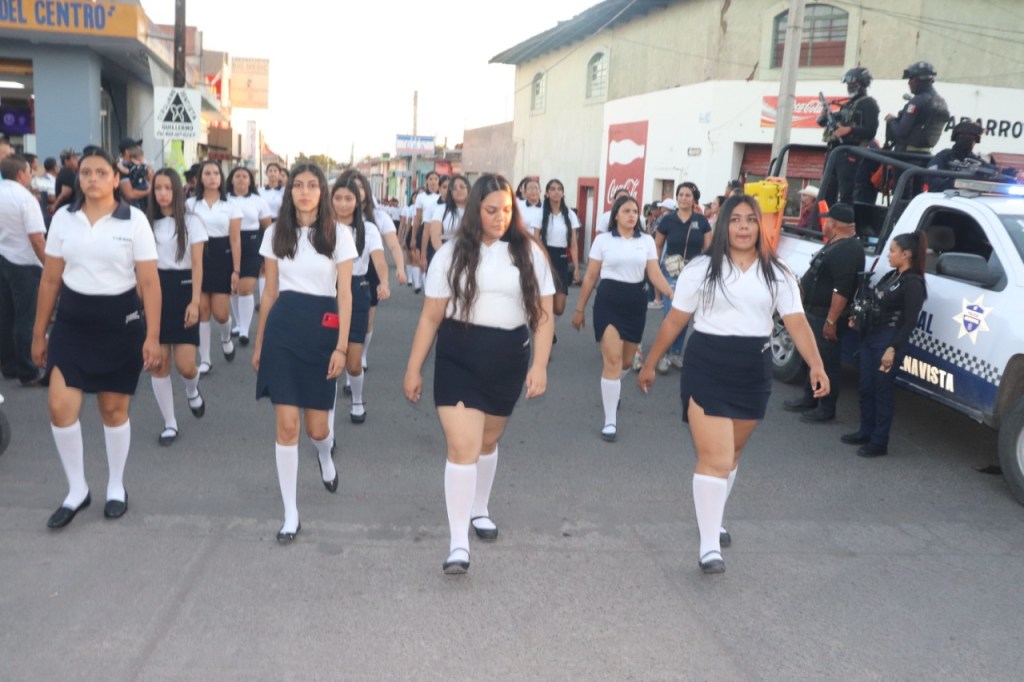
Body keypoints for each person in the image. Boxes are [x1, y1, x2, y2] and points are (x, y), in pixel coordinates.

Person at [638, 194, 828, 574]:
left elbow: (796, 322)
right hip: (707, 364)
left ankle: (714, 516)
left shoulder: (779, 272)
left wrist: (816, 366)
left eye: (750, 220)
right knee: (717, 458)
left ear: (760, 226)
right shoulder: (701, 269)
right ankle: (709, 547)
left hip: (753, 368)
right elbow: (675, 320)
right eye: (736, 219)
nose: (743, 227)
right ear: (724, 225)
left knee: (733, 455)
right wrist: (651, 362)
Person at [403, 173, 555, 575]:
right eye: (490, 210)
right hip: (458, 356)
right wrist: (413, 368)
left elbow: (542, 317)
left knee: (488, 441)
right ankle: (458, 543)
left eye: (506, 210)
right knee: (462, 447)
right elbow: (431, 316)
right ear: (475, 211)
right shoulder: (450, 254)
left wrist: (540, 365)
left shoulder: (530, 253)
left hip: (508, 359)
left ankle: (480, 508)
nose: (499, 217)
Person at [32, 147, 162, 528]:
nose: (92, 179)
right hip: (72, 323)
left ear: (115, 179)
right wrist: (39, 333)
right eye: (85, 172)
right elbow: (50, 279)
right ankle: (77, 490)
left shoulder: (134, 220)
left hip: (119, 323)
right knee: (60, 408)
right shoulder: (63, 219)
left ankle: (116, 486)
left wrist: (153, 336)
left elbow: (149, 283)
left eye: (101, 173)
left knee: (113, 410)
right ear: (78, 178)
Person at [252, 164, 356, 543]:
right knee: (287, 427)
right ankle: (290, 514)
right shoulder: (274, 234)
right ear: (290, 191)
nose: (305, 191)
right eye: (298, 185)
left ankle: (324, 455)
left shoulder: (339, 234)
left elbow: (345, 295)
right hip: (282, 331)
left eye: (313, 185)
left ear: (322, 191)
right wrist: (260, 343)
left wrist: (342, 347)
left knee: (317, 429)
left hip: (322, 331)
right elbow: (269, 291)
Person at [572, 194, 674, 441]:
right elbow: (591, 275)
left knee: (626, 363)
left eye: (635, 211)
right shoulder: (603, 240)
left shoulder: (646, 241)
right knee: (613, 359)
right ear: (615, 215)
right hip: (608, 300)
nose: (631, 215)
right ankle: (610, 421)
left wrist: (672, 294)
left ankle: (613, 387)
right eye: (626, 211)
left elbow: (654, 273)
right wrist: (579, 308)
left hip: (634, 302)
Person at [842, 233, 927, 457]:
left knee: (882, 391)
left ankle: (879, 441)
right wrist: (858, 317)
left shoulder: (913, 283)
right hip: (871, 337)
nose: (888, 255)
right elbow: (874, 302)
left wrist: (893, 348)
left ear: (906, 254)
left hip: (888, 342)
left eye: (892, 250)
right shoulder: (891, 276)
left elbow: (909, 322)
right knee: (865, 387)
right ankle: (865, 431)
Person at [784, 203, 865, 423]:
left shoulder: (848, 249)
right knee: (811, 357)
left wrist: (831, 321)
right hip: (814, 312)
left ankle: (826, 407)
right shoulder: (836, 242)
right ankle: (810, 397)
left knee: (827, 361)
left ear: (834, 223)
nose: (824, 223)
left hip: (825, 315)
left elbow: (842, 290)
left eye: (826, 220)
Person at [147, 168, 208, 446]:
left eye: (168, 188)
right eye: (158, 188)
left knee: (186, 366)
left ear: (177, 190)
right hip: (155, 290)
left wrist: (195, 301)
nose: (162, 193)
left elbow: (197, 264)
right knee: (158, 364)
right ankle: (169, 423)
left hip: (183, 289)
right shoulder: (145, 222)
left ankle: (192, 390)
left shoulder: (192, 222)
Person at [330, 175, 389, 424]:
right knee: (327, 358)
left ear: (357, 201)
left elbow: (379, 260)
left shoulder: (369, 229)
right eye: (338, 198)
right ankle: (326, 415)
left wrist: (384, 281)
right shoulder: (321, 227)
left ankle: (357, 399)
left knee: (353, 363)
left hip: (357, 289)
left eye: (349, 199)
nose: (343, 204)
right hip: (326, 290)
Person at [187, 160, 242, 375]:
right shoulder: (190, 205)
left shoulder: (231, 205)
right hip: (197, 256)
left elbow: (235, 239)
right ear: (200, 178)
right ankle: (205, 359)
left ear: (221, 178)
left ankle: (226, 337)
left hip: (222, 257)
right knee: (202, 310)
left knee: (220, 313)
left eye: (216, 173)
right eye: (207, 173)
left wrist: (236, 270)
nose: (212, 177)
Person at [654, 182, 713, 374]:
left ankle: (675, 352)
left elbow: (708, 250)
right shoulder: (667, 220)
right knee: (670, 313)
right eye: (680, 195)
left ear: (694, 199)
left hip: (693, 273)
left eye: (688, 195)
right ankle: (663, 354)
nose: (683, 198)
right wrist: (655, 266)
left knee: (685, 314)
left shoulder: (702, 222)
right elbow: (658, 245)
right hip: (671, 271)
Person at [0, 154, 47, 385]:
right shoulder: (25, 199)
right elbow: (36, 239)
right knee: (25, 317)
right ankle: (28, 369)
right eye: (29, 171)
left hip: (3, 258)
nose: (31, 175)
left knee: (5, 315)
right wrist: (49, 265)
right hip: (24, 262)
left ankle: (9, 364)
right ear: (20, 174)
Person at [818, 67, 880, 205]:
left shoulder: (869, 104)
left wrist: (849, 130)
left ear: (862, 84)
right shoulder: (848, 105)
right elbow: (823, 122)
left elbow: (871, 130)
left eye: (854, 84)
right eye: (848, 84)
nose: (850, 87)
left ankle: (845, 217)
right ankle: (827, 217)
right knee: (827, 190)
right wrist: (825, 114)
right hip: (835, 151)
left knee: (846, 192)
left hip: (850, 152)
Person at [226, 166, 273, 343]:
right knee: (233, 288)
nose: (241, 179)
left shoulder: (258, 201)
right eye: (237, 176)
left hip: (252, 245)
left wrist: (267, 253)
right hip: (229, 244)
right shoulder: (225, 199)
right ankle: (238, 324)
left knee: (246, 288)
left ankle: (244, 331)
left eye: (244, 176)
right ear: (231, 180)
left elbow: (267, 228)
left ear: (250, 181)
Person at [539, 178, 581, 325]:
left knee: (559, 307)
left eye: (559, 189)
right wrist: (543, 256)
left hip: (562, 258)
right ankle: (547, 329)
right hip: (544, 258)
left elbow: (573, 244)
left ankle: (548, 324)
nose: (556, 192)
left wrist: (576, 268)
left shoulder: (570, 214)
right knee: (545, 299)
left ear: (563, 193)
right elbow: (535, 239)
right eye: (552, 189)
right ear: (547, 193)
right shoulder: (541, 213)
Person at [885, 61, 949, 154]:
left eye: (911, 78)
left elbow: (900, 132)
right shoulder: (940, 101)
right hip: (925, 155)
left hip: (905, 155)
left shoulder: (917, 101)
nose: (909, 82)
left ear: (919, 80)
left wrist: (891, 120)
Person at [926, 120, 986, 192]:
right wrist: (960, 184)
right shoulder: (943, 156)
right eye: (965, 136)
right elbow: (933, 182)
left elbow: (993, 172)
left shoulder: (976, 161)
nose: (971, 142)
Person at [426, 174, 468, 266]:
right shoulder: (442, 209)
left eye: (462, 187)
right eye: (454, 188)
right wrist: (446, 256)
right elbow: (435, 237)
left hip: (470, 255)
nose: (458, 190)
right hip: (445, 255)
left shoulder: (475, 210)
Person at [116, 139, 153, 211]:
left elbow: (151, 178)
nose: (138, 149)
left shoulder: (140, 165)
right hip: (130, 210)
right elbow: (130, 194)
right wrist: (149, 190)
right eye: (135, 148)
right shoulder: (121, 167)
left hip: (143, 207)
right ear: (127, 152)